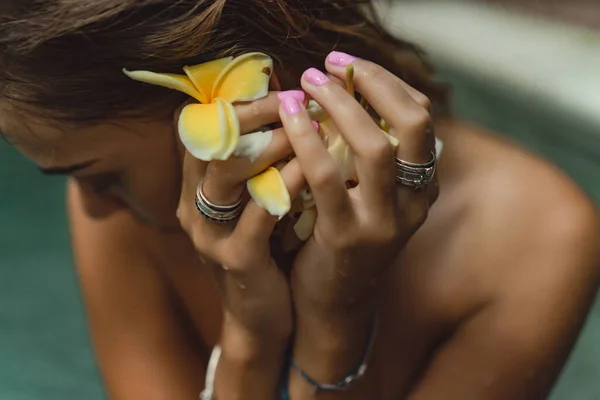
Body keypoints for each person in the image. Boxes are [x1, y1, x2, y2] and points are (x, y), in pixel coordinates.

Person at [1, 1, 598, 399]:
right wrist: (249, 338)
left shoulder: (537, 241)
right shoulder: (121, 209)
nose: (93, 206)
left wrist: (335, 325)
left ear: (258, 90)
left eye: (99, 176)